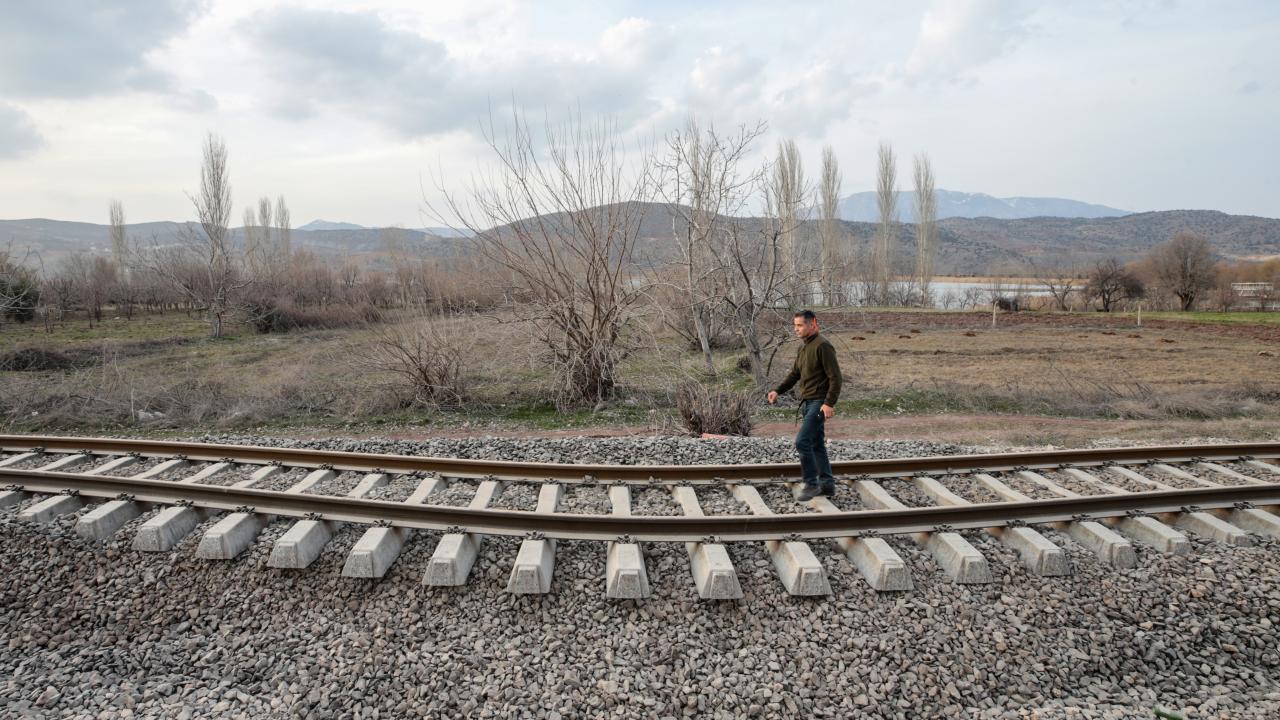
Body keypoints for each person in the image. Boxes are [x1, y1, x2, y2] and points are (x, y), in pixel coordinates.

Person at [767, 309, 842, 501]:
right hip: (808, 402)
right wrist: (778, 390)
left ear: (812, 324)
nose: (796, 329)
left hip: (819, 403)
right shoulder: (803, 348)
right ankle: (827, 484)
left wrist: (829, 403)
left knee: (802, 442)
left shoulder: (823, 346)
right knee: (816, 444)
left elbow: (836, 378)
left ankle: (811, 484)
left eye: (800, 325)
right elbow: (794, 374)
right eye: (795, 325)